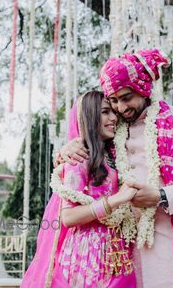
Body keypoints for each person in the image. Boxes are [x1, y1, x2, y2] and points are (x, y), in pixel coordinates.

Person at [58, 49, 173, 287]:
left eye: (126, 98)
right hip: (122, 252)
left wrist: (162, 196)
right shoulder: (114, 134)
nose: (121, 108)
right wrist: (67, 149)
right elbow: (88, 151)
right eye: (113, 101)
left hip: (172, 242)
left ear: (144, 88)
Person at [21, 91, 138, 288]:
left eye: (113, 112)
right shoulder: (78, 158)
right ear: (89, 117)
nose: (113, 118)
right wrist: (116, 200)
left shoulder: (111, 155)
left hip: (115, 250)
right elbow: (68, 217)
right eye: (105, 112)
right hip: (87, 254)